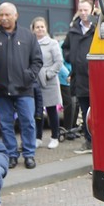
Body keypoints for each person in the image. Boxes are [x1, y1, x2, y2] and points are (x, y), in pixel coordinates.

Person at [0, 2, 42, 169]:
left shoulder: (28, 36)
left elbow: (37, 60)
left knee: (28, 122)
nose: (4, 18)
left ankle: (29, 154)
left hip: (24, 88)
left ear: (15, 15)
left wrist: (28, 76)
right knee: (5, 124)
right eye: (1, 15)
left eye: (7, 15)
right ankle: (11, 154)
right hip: (2, 89)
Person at [62, 0, 96, 151]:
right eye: (80, 10)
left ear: (92, 10)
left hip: (95, 78)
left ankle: (99, 141)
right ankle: (89, 141)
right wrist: (72, 58)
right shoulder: (73, 30)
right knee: (85, 110)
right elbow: (65, 48)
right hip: (80, 78)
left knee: (97, 112)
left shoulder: (97, 29)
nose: (83, 13)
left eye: (86, 10)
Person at [31, 16, 64, 149]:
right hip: (34, 81)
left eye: (42, 26)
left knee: (51, 111)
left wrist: (47, 74)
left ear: (46, 28)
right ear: (33, 29)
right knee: (37, 111)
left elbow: (59, 62)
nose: (40, 29)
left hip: (49, 82)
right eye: (37, 27)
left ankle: (55, 137)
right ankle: (38, 138)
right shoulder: (30, 43)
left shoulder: (52, 43)